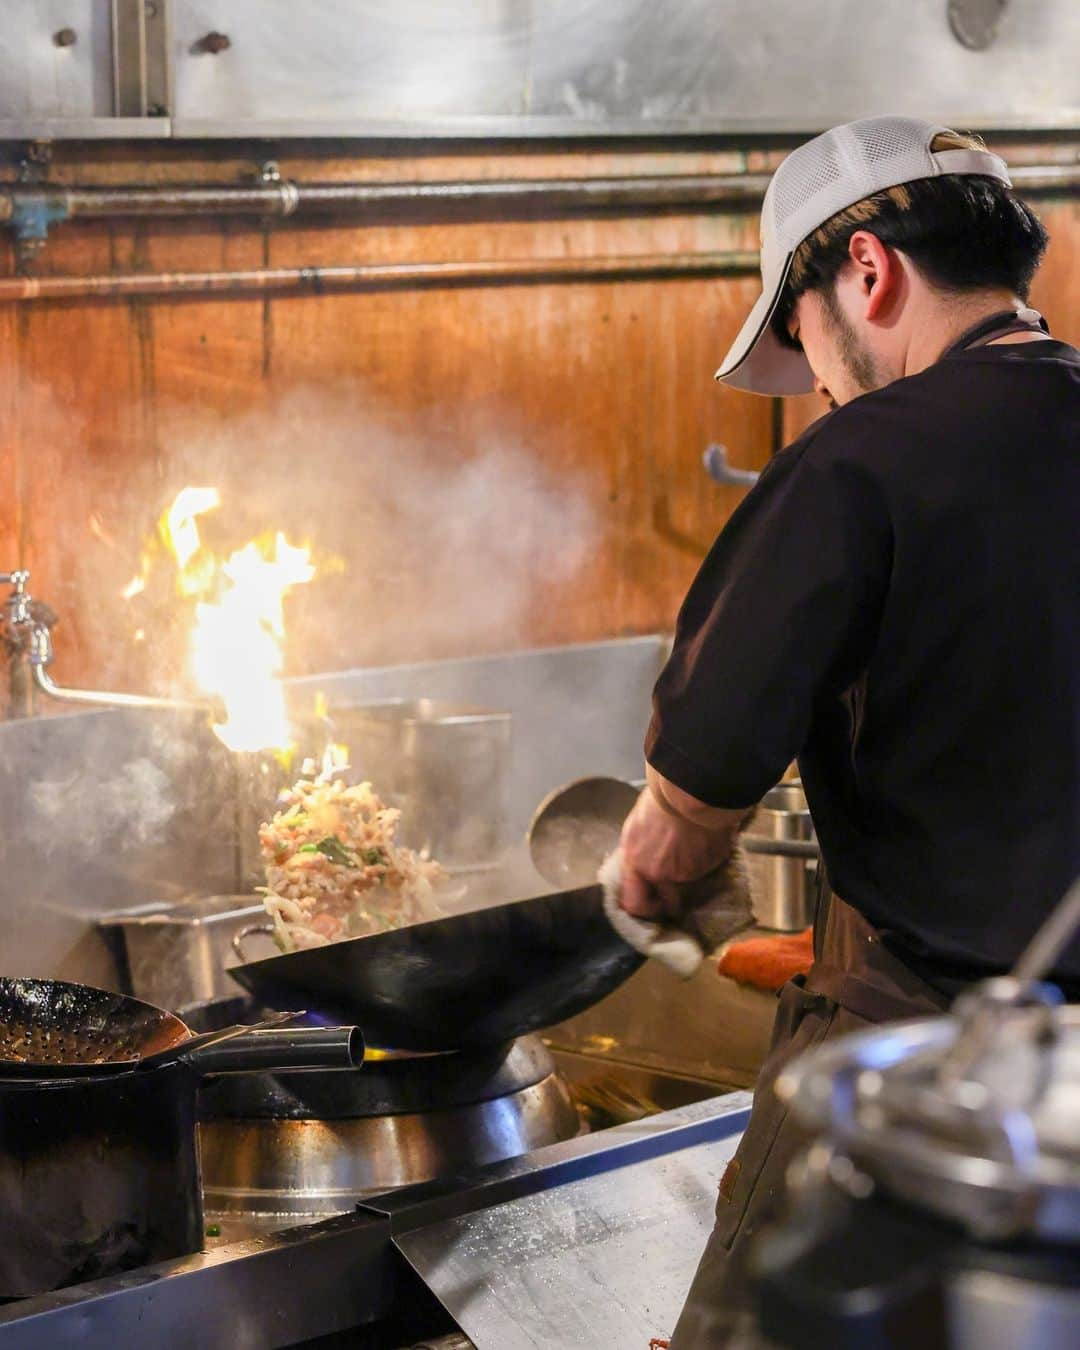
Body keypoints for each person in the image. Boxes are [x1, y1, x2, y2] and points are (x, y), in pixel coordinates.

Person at [615, 115, 1080, 1347]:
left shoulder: (859, 462)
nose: (816, 379)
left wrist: (641, 882)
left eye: (805, 336)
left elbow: (700, 778)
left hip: (923, 1053)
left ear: (867, 273)